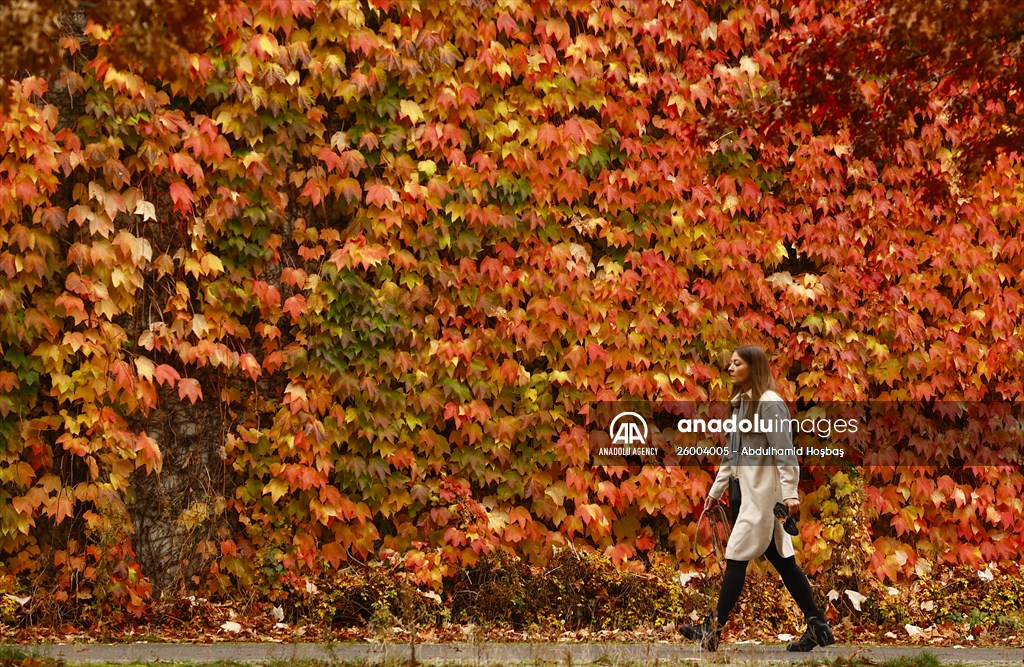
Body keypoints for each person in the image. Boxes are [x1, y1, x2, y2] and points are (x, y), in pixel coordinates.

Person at [679, 345, 835, 652]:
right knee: (784, 561)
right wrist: (715, 492)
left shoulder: (769, 404)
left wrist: (790, 494)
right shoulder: (740, 404)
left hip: (766, 498)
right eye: (731, 363)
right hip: (745, 493)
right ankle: (818, 625)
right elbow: (732, 455)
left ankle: (712, 629)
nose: (731, 368)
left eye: (737, 363)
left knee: (736, 555)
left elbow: (785, 452)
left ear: (754, 367)